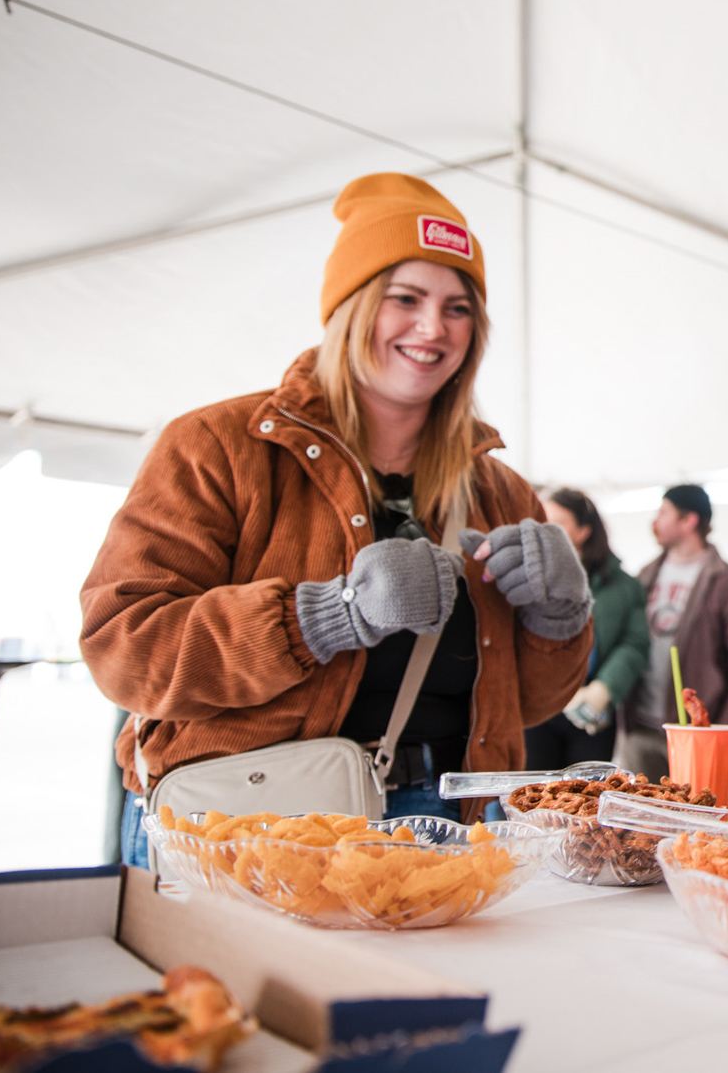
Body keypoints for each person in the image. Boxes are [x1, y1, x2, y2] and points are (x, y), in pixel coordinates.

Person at [82, 173, 593, 864]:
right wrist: (324, 616)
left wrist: (561, 615)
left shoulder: (498, 490)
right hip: (252, 823)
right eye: (403, 299)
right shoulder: (218, 446)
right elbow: (124, 647)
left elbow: (528, 705)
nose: (432, 328)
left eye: (457, 308)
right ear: (351, 307)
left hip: (450, 831)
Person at [620, 484, 728, 777]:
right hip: (640, 728)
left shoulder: (727, 581)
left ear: (689, 520)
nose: (655, 522)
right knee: (640, 819)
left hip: (695, 735)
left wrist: (720, 732)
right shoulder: (646, 574)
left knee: (694, 820)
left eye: (664, 512)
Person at [526, 487, 649, 770]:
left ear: (583, 531)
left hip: (592, 710)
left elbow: (634, 643)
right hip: (539, 707)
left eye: (556, 523)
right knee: (534, 800)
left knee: (586, 800)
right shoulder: (527, 580)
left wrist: (603, 690)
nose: (545, 531)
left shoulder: (622, 586)